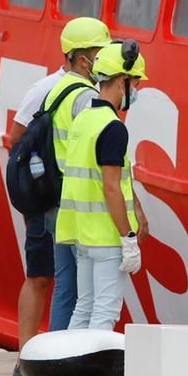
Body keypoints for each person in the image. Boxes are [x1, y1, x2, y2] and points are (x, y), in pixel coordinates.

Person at [5, 16, 110, 376]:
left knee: (62, 281)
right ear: (83, 58)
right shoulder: (55, 90)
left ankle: (46, 359)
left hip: (61, 202)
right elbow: (17, 141)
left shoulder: (64, 91)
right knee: (44, 277)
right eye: (101, 53)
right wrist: (36, 191)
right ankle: (30, 358)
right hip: (54, 202)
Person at [56, 39, 150, 330]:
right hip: (108, 237)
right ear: (122, 81)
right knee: (105, 312)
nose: (134, 92)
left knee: (83, 307)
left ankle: (69, 373)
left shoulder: (84, 119)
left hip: (83, 234)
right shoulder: (113, 128)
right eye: (134, 84)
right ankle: (88, 375)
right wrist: (128, 237)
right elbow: (111, 187)